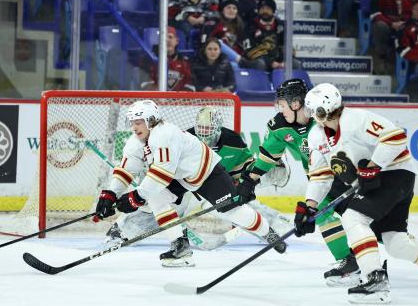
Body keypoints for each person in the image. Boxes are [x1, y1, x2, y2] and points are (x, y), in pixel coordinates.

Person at [297, 83, 418, 303]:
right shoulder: (316, 137)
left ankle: (376, 280)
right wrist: (309, 206)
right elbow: (321, 176)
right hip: (381, 182)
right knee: (396, 243)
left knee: (353, 217)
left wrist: (374, 166)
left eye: (312, 110)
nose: (310, 115)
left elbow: (395, 137)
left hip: (395, 174)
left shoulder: (355, 119)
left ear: (321, 111)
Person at [95, 100, 286, 267]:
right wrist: (109, 194)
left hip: (206, 171)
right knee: (154, 197)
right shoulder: (135, 142)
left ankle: (268, 233)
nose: (134, 127)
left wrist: (135, 197)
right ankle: (180, 248)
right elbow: (125, 170)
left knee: (232, 211)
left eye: (138, 122)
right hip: (179, 177)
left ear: (151, 120)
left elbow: (160, 175)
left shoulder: (164, 135)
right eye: (132, 123)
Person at [236, 79, 360, 286]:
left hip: (348, 177)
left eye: (282, 104)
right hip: (319, 181)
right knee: (322, 215)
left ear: (295, 104)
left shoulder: (323, 117)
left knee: (375, 225)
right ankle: (348, 262)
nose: (279, 109)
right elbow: (268, 157)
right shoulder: (280, 126)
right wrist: (249, 180)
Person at [369, 0, 417, 75]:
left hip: (405, 23)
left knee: (415, 28)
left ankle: (412, 64)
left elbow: (415, 11)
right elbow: (375, 14)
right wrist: (392, 23)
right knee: (380, 26)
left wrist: (405, 23)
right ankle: (381, 57)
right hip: (387, 22)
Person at [239, 0, 285, 71]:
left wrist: (284, 61)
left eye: (268, 8)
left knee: (295, 63)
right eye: (262, 8)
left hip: (277, 60)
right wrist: (270, 62)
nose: (265, 11)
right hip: (257, 60)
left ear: (273, 10)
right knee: (260, 63)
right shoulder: (250, 25)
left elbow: (284, 46)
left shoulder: (280, 25)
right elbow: (249, 51)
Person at [142, 26, 194, 92]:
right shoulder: (149, 60)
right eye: (164, 38)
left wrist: (180, 95)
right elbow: (144, 83)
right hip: (155, 100)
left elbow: (190, 85)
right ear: (159, 41)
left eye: (170, 37)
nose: (167, 40)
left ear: (177, 41)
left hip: (178, 101)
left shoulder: (185, 62)